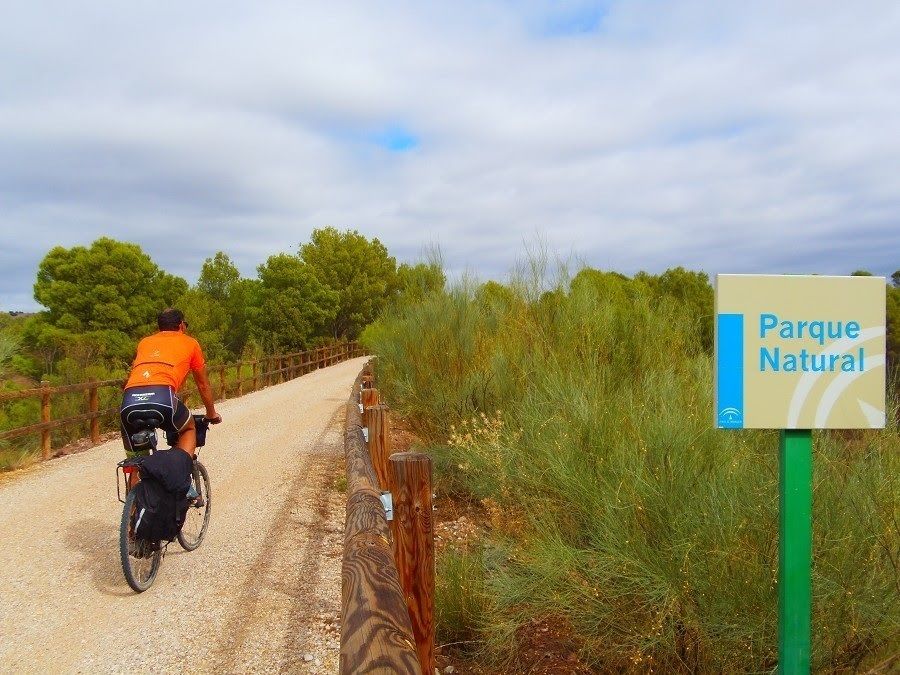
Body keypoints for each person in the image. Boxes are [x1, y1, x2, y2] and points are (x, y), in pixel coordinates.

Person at [120, 308, 222, 474]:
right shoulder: (190, 343)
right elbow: (203, 385)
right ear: (181, 325)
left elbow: (134, 374)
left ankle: (135, 488)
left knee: (136, 465)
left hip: (129, 402)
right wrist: (211, 413)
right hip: (162, 398)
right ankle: (180, 476)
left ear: (160, 326)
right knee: (188, 428)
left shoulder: (144, 342)